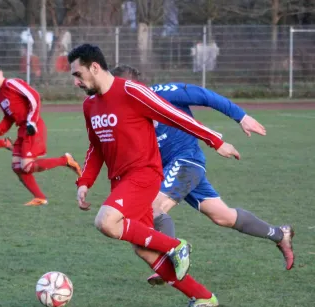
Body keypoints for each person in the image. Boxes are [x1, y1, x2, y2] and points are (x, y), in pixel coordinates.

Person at [68, 44, 241, 307]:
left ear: (94, 67)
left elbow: (175, 116)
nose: (75, 82)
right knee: (145, 251)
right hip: (120, 179)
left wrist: (215, 140)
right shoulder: (90, 105)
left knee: (106, 221)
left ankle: (177, 245)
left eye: (78, 74)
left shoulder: (131, 91)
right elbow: (95, 146)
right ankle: (203, 297)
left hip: (144, 174)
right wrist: (85, 181)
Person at [110, 65, 296, 285]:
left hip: (186, 161)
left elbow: (204, 95)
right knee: (223, 216)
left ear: (133, 86)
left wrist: (241, 116)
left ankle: (169, 261)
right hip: (167, 169)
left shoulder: (163, 93)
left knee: (153, 207)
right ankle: (279, 234)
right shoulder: (121, 112)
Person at [0, 63, 83, 206]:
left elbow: (34, 96)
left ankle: (65, 160)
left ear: (1, 72)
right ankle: (40, 197)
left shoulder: (11, 84)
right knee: (17, 167)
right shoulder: (0, 96)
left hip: (33, 127)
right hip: (22, 129)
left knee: (26, 166)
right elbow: (9, 118)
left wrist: (32, 121)